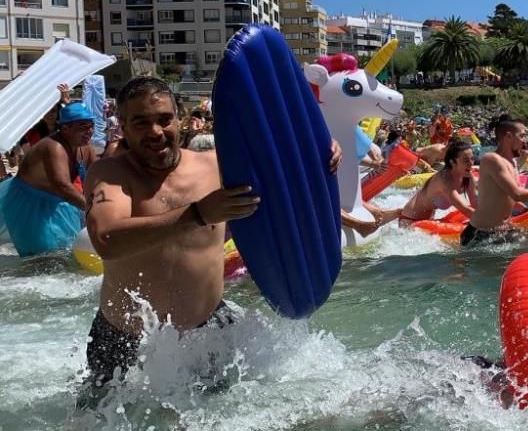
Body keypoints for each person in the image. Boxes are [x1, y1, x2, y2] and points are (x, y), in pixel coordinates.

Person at [79, 77, 343, 403]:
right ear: (122, 126)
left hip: (208, 329)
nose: (156, 131)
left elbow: (286, 170)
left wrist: (323, 151)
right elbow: (106, 238)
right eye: (141, 123)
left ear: (180, 117)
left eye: (164, 119)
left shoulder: (217, 166)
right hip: (125, 337)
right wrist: (197, 214)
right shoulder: (110, 174)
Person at [0, 101, 98, 256]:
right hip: (28, 203)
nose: (89, 131)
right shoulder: (53, 147)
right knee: (40, 258)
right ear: (65, 128)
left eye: (91, 125)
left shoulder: (86, 148)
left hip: (61, 203)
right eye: (83, 127)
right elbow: (62, 186)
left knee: (67, 252)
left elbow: (97, 178)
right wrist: (95, 209)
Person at [462, 115, 528, 246]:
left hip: (502, 229)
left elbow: (504, 197)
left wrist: (526, 210)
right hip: (480, 234)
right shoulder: (491, 159)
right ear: (508, 136)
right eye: (522, 136)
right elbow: (516, 194)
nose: (525, 141)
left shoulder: (513, 162)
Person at [399, 140, 478, 226]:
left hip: (427, 220)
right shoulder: (445, 180)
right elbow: (465, 209)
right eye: (466, 160)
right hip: (409, 221)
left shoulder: (468, 176)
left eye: (472, 159)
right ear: (452, 162)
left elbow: (475, 203)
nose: (471, 163)